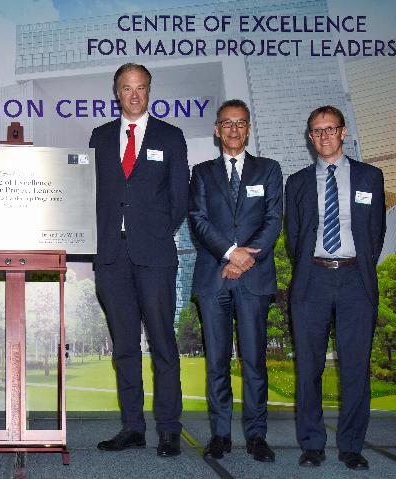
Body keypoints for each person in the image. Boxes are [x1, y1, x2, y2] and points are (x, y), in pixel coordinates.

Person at [89, 63, 189, 456]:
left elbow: (180, 198)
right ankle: (132, 427)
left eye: (141, 88)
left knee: (164, 345)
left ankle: (168, 429)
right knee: (125, 347)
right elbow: (92, 196)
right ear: (116, 92)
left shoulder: (170, 135)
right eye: (127, 88)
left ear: (149, 91)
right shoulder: (98, 137)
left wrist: (154, 232)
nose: (134, 95)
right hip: (112, 258)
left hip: (155, 255)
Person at [285, 105, 385, 470]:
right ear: (310, 138)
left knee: (355, 367)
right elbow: (293, 236)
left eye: (331, 129)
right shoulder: (296, 182)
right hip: (311, 279)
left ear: (343, 133)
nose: (324, 136)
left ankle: (352, 446)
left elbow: (375, 232)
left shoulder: (370, 177)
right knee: (308, 366)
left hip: (356, 280)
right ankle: (312, 444)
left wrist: (354, 265)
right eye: (317, 130)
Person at [188, 99, 282, 462]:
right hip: (214, 280)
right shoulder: (202, 172)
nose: (233, 129)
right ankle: (221, 435)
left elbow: (273, 219)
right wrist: (230, 253)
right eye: (227, 123)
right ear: (217, 129)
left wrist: (244, 259)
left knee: (255, 362)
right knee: (216, 363)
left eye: (240, 123)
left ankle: (257, 436)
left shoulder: (269, 169)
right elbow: (198, 220)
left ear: (248, 129)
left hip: (253, 279)